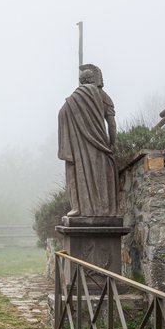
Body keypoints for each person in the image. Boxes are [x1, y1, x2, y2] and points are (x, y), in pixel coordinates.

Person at [58, 63, 118, 218]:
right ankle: (103, 209)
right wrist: (113, 143)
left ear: (82, 81)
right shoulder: (103, 96)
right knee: (101, 176)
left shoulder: (72, 99)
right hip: (100, 145)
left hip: (78, 147)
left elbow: (62, 113)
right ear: (94, 79)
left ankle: (79, 208)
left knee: (80, 174)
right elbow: (111, 122)